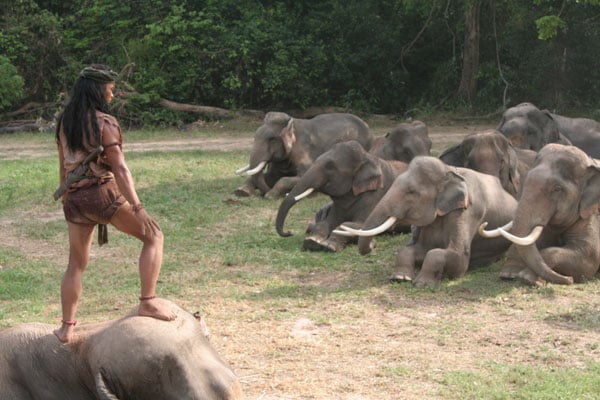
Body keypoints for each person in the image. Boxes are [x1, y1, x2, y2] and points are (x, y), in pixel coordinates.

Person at [54, 64, 175, 343]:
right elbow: (120, 169)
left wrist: (66, 197)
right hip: (101, 194)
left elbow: (63, 163)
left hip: (73, 198)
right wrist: (138, 207)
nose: (112, 96)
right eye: (109, 91)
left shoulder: (65, 121)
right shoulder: (104, 123)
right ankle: (147, 300)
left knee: (76, 263)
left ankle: (66, 327)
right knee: (154, 236)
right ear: (98, 91)